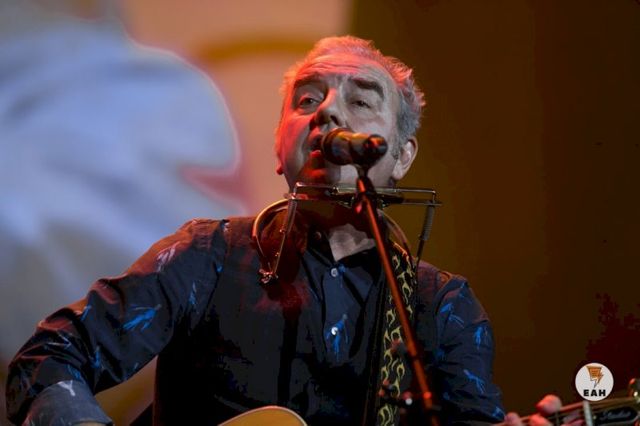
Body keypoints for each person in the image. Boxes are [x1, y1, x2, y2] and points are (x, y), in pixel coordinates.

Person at [6, 35, 505, 425]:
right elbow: (49, 357)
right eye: (307, 99)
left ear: (401, 156)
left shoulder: (442, 308)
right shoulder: (206, 257)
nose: (328, 111)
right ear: (279, 146)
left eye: (360, 101)